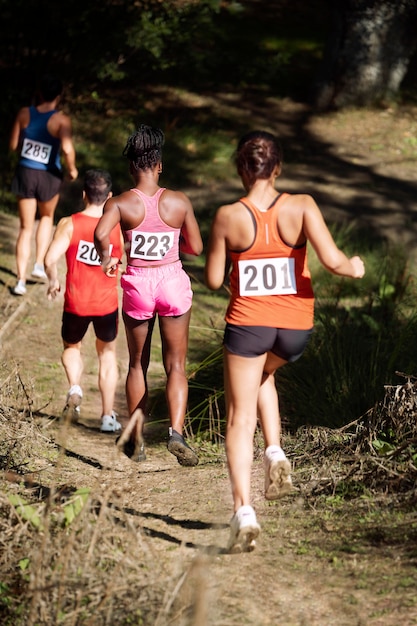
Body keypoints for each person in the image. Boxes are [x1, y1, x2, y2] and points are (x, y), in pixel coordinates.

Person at [204, 130, 365, 553]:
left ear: (242, 168)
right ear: (277, 168)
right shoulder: (302, 204)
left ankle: (244, 510)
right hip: (295, 329)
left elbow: (214, 279)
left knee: (239, 418)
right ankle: (275, 451)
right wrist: (357, 268)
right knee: (263, 374)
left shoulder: (226, 216)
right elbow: (334, 261)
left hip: (248, 325)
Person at [94, 124, 203, 465]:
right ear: (159, 165)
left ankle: (136, 437)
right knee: (175, 365)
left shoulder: (121, 203)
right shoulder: (178, 201)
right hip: (171, 282)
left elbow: (100, 232)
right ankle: (176, 433)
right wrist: (176, 242)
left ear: (131, 167)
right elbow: (196, 249)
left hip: (139, 285)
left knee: (138, 363)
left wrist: (109, 258)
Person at [44, 169, 123, 433]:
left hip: (76, 303)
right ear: (109, 196)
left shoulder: (69, 223)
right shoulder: (116, 227)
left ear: (84, 194)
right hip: (106, 304)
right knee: (108, 355)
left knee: (72, 346)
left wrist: (53, 279)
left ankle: (75, 388)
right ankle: (107, 416)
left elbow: (48, 259)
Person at [9, 74, 78, 296]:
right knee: (46, 218)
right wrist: (73, 170)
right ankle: (38, 265)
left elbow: (12, 145)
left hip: (26, 172)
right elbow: (67, 149)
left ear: (39, 93)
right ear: (59, 95)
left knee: (25, 227)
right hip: (49, 175)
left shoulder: (23, 113)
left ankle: (20, 280)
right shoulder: (61, 120)